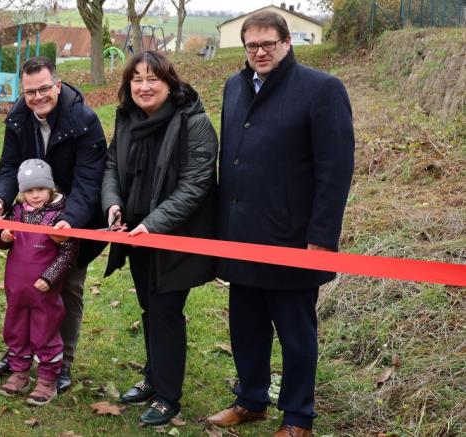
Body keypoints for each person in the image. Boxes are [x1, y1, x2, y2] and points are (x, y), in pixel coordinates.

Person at [207, 11, 354, 437]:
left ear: (287, 42)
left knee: (295, 334)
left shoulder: (322, 89)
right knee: (245, 327)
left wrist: (321, 238)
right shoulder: (234, 86)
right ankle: (251, 400)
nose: (259, 52)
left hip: (292, 239)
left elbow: (335, 170)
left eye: (268, 44)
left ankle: (297, 418)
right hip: (241, 236)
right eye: (251, 45)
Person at [100, 51, 219, 426]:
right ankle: (153, 377)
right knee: (150, 306)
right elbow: (112, 166)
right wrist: (113, 204)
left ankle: (168, 397)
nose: (144, 86)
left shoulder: (194, 122)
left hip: (176, 235)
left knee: (166, 310)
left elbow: (196, 184)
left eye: (153, 78)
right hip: (136, 231)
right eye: (137, 79)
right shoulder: (126, 119)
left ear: (169, 83)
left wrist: (154, 224)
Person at [0, 56, 107, 392]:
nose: (37, 97)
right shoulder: (17, 120)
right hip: (30, 216)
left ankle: (60, 362)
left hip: (74, 216)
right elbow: (8, 166)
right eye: (30, 92)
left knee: (67, 288)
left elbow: (89, 180)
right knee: (26, 290)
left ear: (57, 85)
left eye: (43, 89)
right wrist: (0, 198)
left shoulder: (84, 120)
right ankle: (20, 355)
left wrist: (69, 221)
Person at [0, 159, 77, 406]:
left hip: (43, 290)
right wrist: (2, 236)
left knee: (45, 332)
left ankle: (47, 380)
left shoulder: (59, 216)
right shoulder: (16, 212)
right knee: (16, 329)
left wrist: (50, 277)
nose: (35, 195)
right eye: (29, 190)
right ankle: (19, 373)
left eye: (40, 189)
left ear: (50, 189)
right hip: (16, 287)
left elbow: (68, 251)